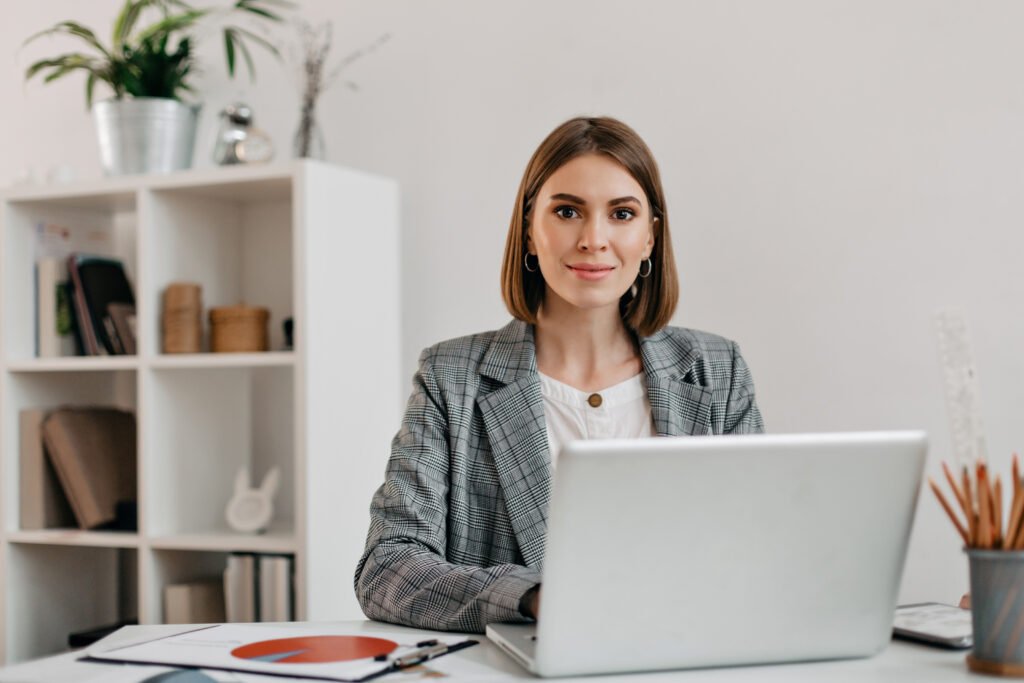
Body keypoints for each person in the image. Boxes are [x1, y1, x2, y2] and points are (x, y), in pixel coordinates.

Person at [354, 116, 764, 634]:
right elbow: (387, 569)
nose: (594, 239)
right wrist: (534, 597)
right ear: (529, 230)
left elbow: (757, 552)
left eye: (622, 213)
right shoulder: (451, 376)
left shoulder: (716, 371)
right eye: (567, 211)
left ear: (649, 239)